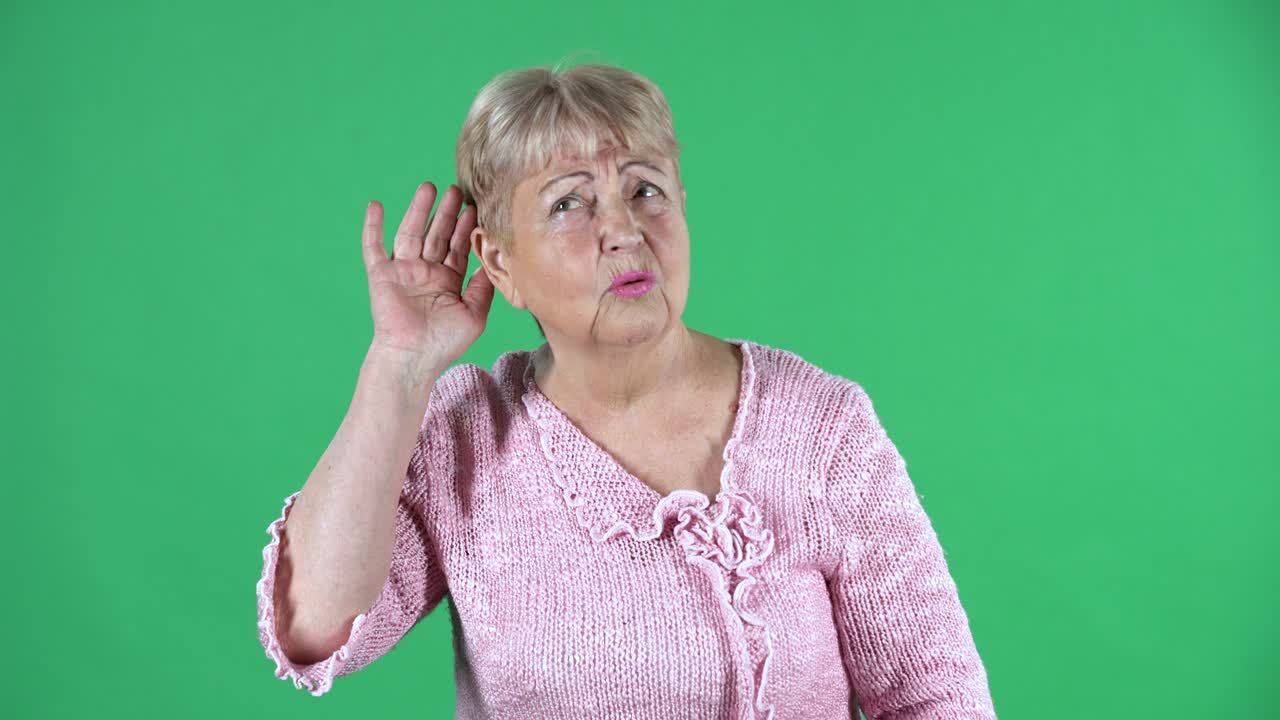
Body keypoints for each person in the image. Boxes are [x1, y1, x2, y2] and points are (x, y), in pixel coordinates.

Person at [255, 62, 996, 719]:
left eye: (645, 189)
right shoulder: (466, 434)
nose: (623, 228)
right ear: (499, 262)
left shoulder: (821, 425)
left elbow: (935, 696)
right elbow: (314, 624)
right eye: (568, 204)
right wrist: (399, 367)